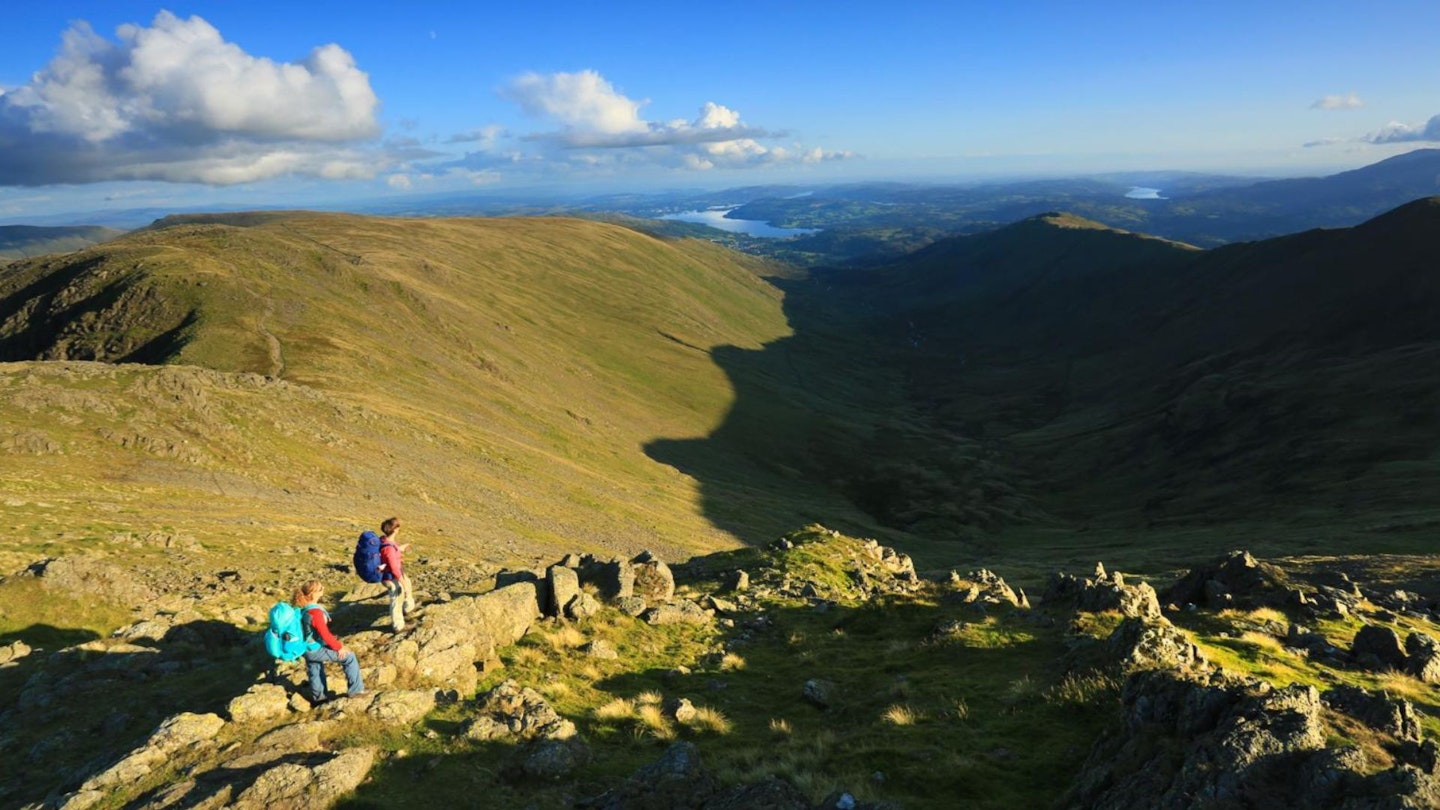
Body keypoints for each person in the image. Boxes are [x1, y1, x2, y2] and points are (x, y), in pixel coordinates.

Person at [293, 579, 365, 704]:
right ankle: (356, 691)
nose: (323, 589)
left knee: (314, 667)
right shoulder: (315, 612)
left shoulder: (304, 609)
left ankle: (320, 698)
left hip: (306, 648)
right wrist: (339, 648)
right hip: (315, 648)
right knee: (349, 657)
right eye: (321, 588)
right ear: (313, 594)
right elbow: (325, 634)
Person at [378, 516, 416, 632]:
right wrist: (402, 583)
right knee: (396, 599)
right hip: (390, 577)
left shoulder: (385, 541)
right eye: (397, 526)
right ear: (394, 529)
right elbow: (394, 567)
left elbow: (389, 554)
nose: (399, 528)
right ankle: (398, 626)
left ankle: (408, 608)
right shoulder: (389, 548)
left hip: (392, 574)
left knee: (407, 585)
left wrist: (400, 548)